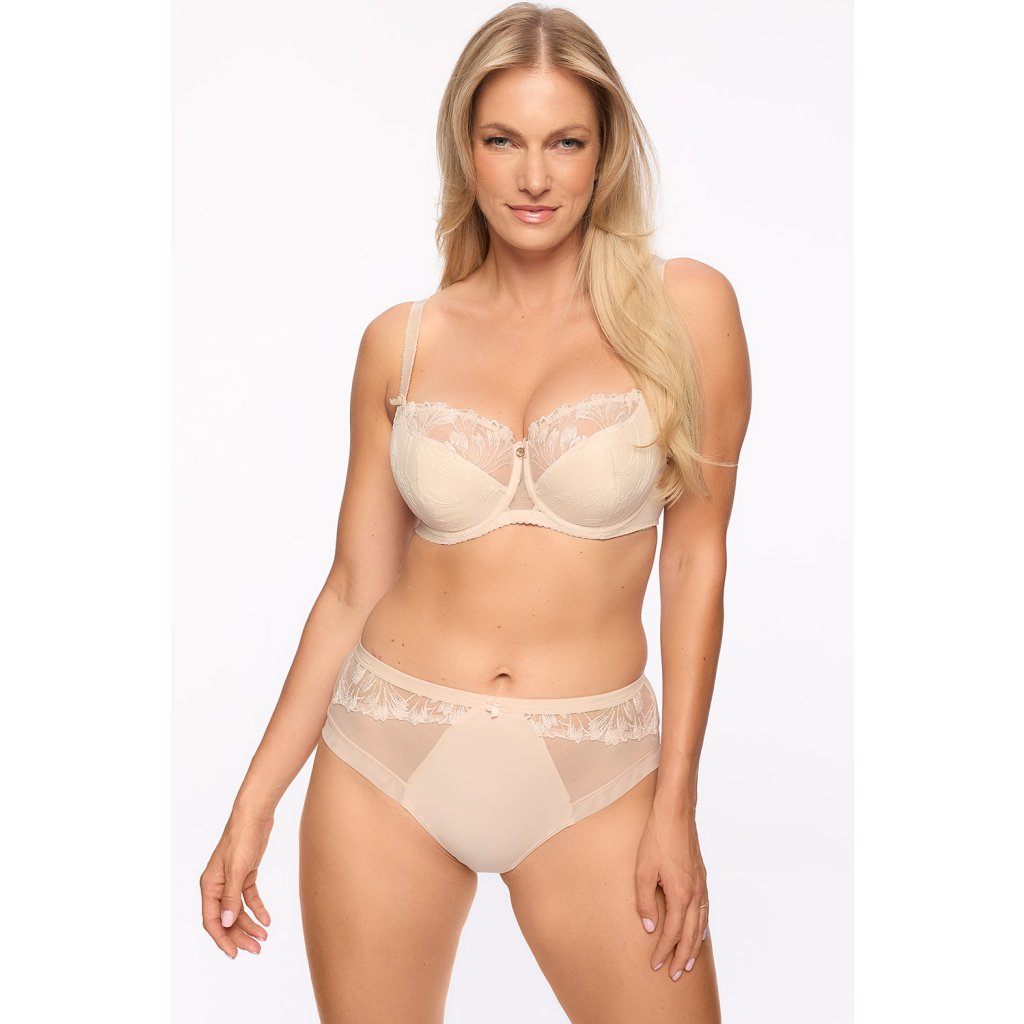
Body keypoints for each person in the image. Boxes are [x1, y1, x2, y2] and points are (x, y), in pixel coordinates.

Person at [200, 4, 751, 1021]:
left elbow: (695, 562)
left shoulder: (687, 311)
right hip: (385, 758)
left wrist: (677, 800)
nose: (533, 176)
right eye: (503, 140)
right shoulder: (401, 341)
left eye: (564, 142)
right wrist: (254, 801)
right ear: (466, 147)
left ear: (605, 151)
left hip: (598, 771)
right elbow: (352, 586)